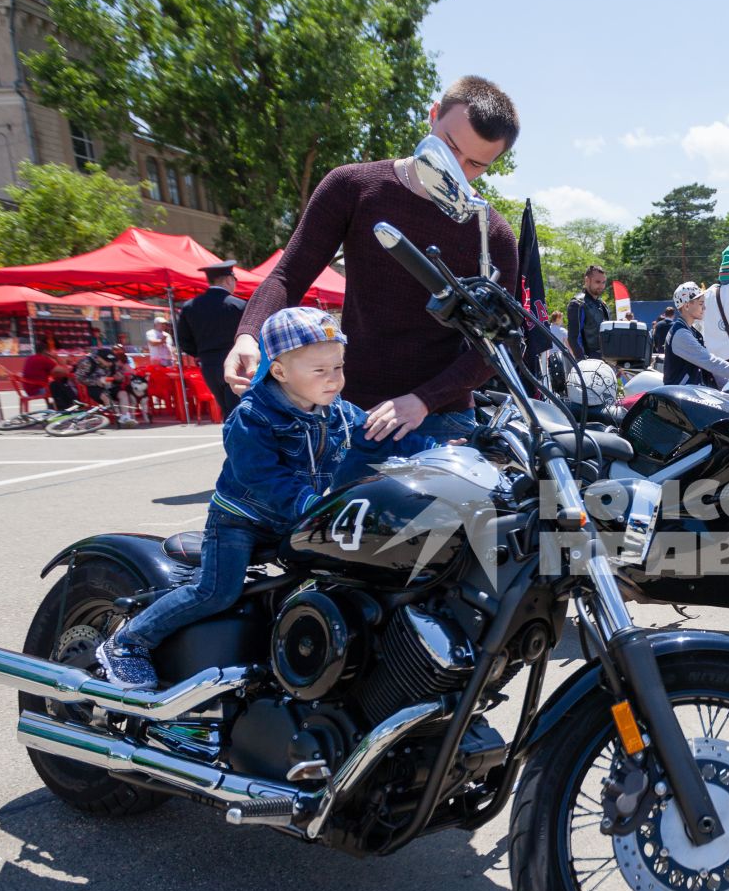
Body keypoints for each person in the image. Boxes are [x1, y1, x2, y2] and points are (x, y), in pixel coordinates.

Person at [97, 309, 416, 689]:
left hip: (297, 517)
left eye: (339, 367)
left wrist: (440, 449)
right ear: (279, 372)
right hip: (240, 521)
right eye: (320, 371)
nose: (334, 379)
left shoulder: (337, 412)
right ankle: (129, 642)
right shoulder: (252, 417)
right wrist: (312, 508)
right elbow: (261, 477)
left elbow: (378, 436)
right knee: (217, 591)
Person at [230, 75, 522, 448]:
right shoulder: (353, 186)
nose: (456, 168)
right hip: (350, 412)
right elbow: (288, 275)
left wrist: (423, 400)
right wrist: (247, 336)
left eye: (476, 164)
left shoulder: (492, 233)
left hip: (442, 420)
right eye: (449, 147)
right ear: (433, 115)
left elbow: (495, 347)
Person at [176, 261, 248, 418]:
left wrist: (202, 352)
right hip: (236, 362)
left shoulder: (190, 306)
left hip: (208, 363)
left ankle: (231, 440)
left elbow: (184, 341)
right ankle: (237, 441)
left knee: (227, 411)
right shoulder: (239, 305)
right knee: (240, 410)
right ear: (229, 279)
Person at [660, 281, 729, 389]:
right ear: (687, 306)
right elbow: (710, 361)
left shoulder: (688, 330)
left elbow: (709, 365)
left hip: (686, 392)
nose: (704, 308)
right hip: (681, 396)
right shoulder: (681, 334)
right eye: (701, 304)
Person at [565, 265, 609, 360]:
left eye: (603, 282)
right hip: (588, 362)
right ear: (587, 280)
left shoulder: (602, 305)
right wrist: (584, 362)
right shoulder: (577, 304)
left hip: (605, 361)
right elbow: (574, 339)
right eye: (597, 282)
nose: (601, 286)